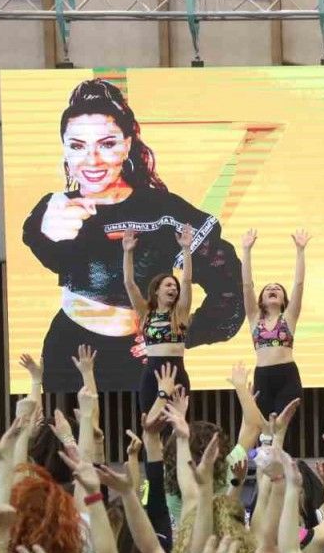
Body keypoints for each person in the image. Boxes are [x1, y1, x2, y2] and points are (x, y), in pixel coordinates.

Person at [22, 78, 243, 393]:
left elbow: (229, 286)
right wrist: (46, 228)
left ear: (127, 144)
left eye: (107, 144)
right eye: (77, 146)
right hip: (66, 351)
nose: (92, 160)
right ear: (65, 149)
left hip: (140, 358)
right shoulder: (55, 209)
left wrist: (182, 333)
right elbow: (41, 244)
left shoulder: (163, 210)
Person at [124, 226, 195, 412]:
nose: (174, 288)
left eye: (175, 287)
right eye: (168, 285)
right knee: (150, 422)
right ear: (156, 290)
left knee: (177, 423)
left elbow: (186, 281)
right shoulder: (146, 313)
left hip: (177, 374)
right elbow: (129, 284)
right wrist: (128, 252)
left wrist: (186, 249)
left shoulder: (180, 313)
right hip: (151, 375)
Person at [241, 228, 310, 417]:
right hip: (262, 377)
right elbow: (247, 286)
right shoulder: (254, 318)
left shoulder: (289, 317)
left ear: (283, 300)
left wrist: (300, 251)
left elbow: (299, 284)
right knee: (264, 428)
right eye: (268, 289)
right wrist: (246, 251)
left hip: (287, 376)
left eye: (277, 289)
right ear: (261, 299)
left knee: (283, 427)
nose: (273, 289)